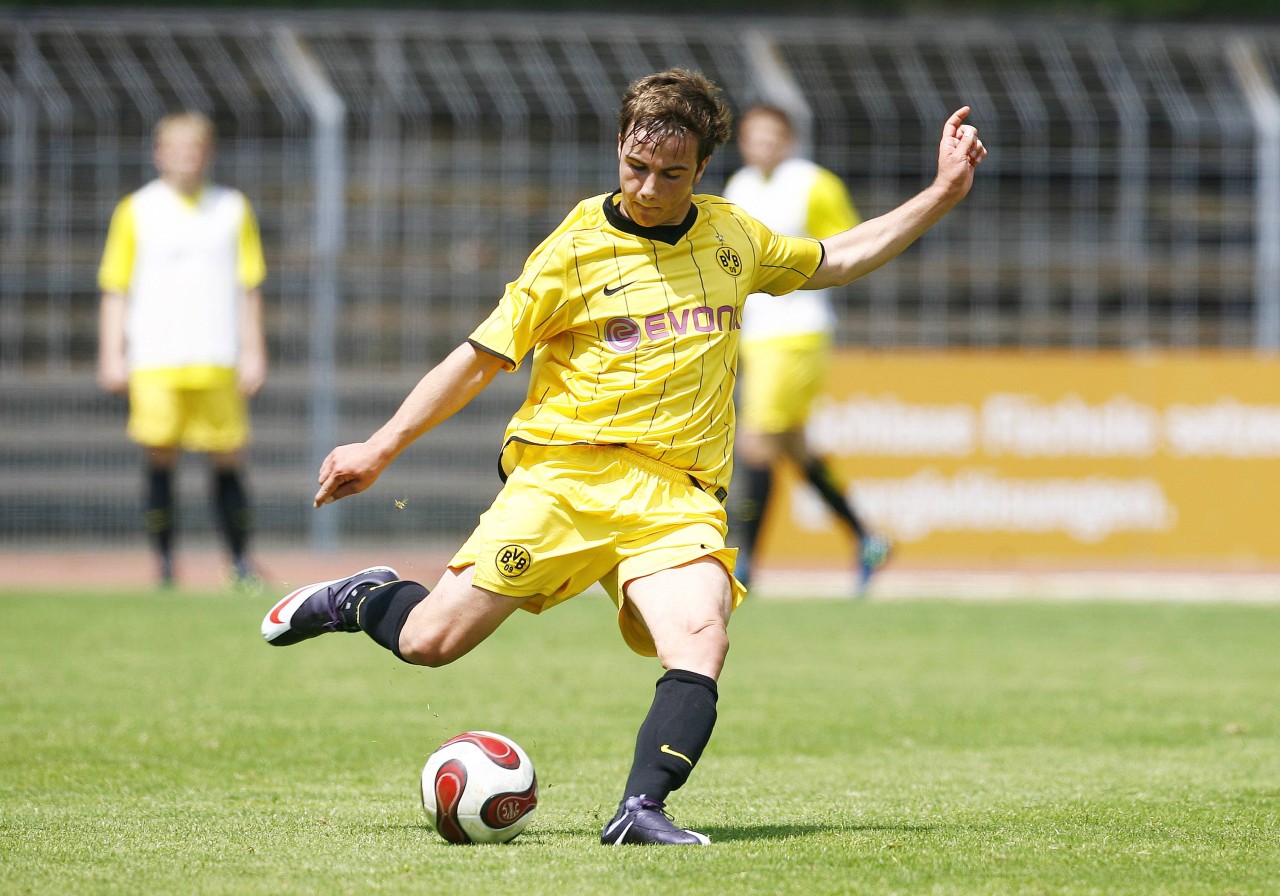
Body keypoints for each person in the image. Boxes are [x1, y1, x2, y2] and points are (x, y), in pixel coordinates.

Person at [261, 69, 985, 845]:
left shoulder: (732, 236)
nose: (648, 188)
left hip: (675, 494)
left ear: (703, 169)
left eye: (672, 174)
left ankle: (642, 808)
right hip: (564, 479)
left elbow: (837, 257)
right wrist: (379, 448)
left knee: (701, 632)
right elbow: (477, 358)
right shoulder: (573, 250)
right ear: (618, 149)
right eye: (635, 168)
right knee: (430, 643)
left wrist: (942, 192)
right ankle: (363, 597)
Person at [722, 104, 891, 595]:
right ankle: (868, 539)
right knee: (793, 447)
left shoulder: (813, 184)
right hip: (756, 332)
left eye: (772, 135)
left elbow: (852, 245)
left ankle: (748, 561)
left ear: (789, 139)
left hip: (797, 332)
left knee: (756, 444)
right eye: (754, 136)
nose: (762, 144)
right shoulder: (740, 188)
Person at [98, 111, 268, 590]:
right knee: (160, 459)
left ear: (206, 154)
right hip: (154, 357)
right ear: (158, 154)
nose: (184, 159)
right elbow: (116, 285)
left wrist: (254, 351)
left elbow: (248, 285)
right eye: (174, 149)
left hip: (217, 355)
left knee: (229, 458)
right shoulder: (137, 209)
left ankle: (239, 563)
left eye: (193, 149)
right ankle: (166, 564)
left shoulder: (232, 208)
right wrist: (112, 353)